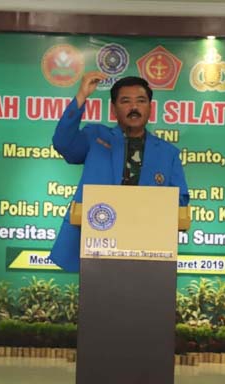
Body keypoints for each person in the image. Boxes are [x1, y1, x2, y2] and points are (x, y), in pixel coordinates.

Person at [49, 72, 190, 272]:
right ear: (114, 109)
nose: (134, 107)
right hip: (96, 245)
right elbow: (63, 143)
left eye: (141, 101)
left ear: (150, 108)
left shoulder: (168, 153)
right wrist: (81, 96)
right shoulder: (96, 137)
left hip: (148, 251)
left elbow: (180, 201)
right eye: (126, 101)